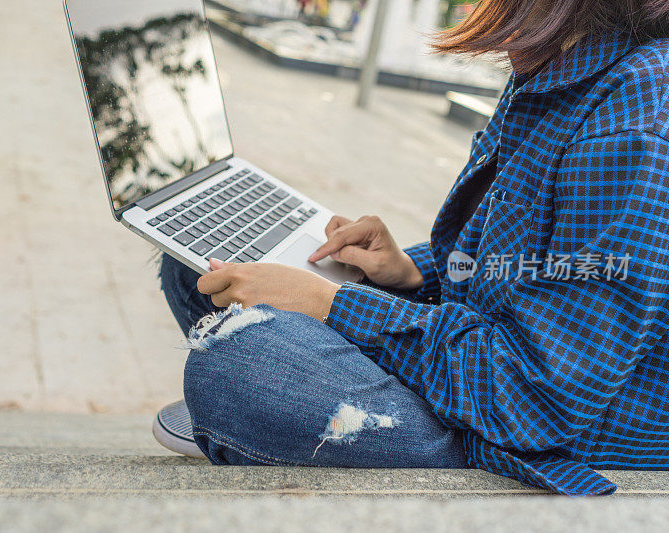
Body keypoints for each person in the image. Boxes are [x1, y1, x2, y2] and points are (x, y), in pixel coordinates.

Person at [152, 0, 669, 495]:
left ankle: (268, 410)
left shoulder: (636, 109)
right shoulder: (559, 57)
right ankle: (270, 410)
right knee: (200, 261)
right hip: (492, 371)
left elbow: (537, 397)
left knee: (238, 361)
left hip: (534, 431)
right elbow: (526, 265)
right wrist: (408, 274)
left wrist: (328, 303)